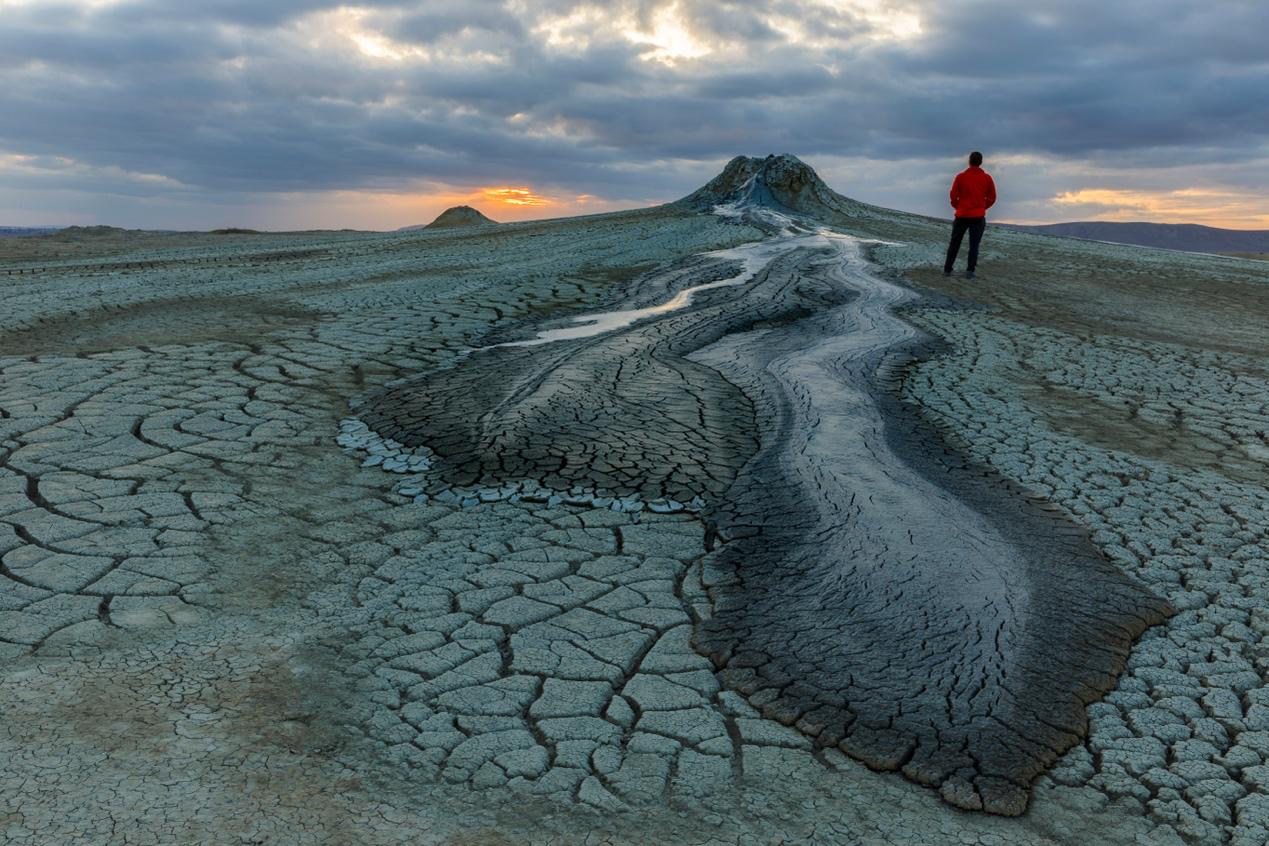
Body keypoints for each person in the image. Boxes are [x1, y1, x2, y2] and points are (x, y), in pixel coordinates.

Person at [944, 151, 996, 279]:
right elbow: (992, 197)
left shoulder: (961, 177)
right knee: (974, 245)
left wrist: (958, 206)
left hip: (962, 215)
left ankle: (947, 269)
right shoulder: (987, 178)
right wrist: (983, 207)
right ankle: (970, 271)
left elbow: (953, 195)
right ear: (981, 162)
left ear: (969, 161)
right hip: (978, 217)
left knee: (955, 243)